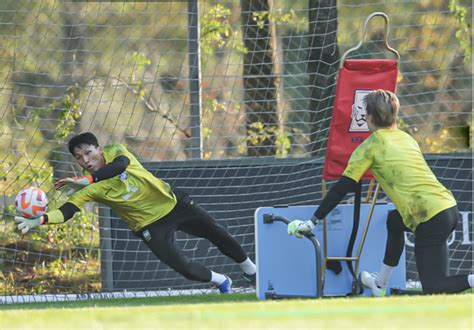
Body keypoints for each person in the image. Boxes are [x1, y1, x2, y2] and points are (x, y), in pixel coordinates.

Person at [14, 132, 256, 293]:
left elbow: (119, 167)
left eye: (88, 152)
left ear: (99, 148)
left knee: (216, 232)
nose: (85, 160)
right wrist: (40, 220)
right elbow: (67, 211)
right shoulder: (89, 188)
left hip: (173, 205)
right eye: (79, 158)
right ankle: (222, 280)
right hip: (151, 227)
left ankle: (250, 270)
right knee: (184, 268)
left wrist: (88, 180)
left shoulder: (116, 151)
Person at [288, 89, 473, 296]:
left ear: (370, 116)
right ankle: (379, 283)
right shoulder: (406, 138)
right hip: (447, 207)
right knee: (394, 220)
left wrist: (311, 222)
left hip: (428, 217)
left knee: (436, 288)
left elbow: (341, 188)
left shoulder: (369, 147)